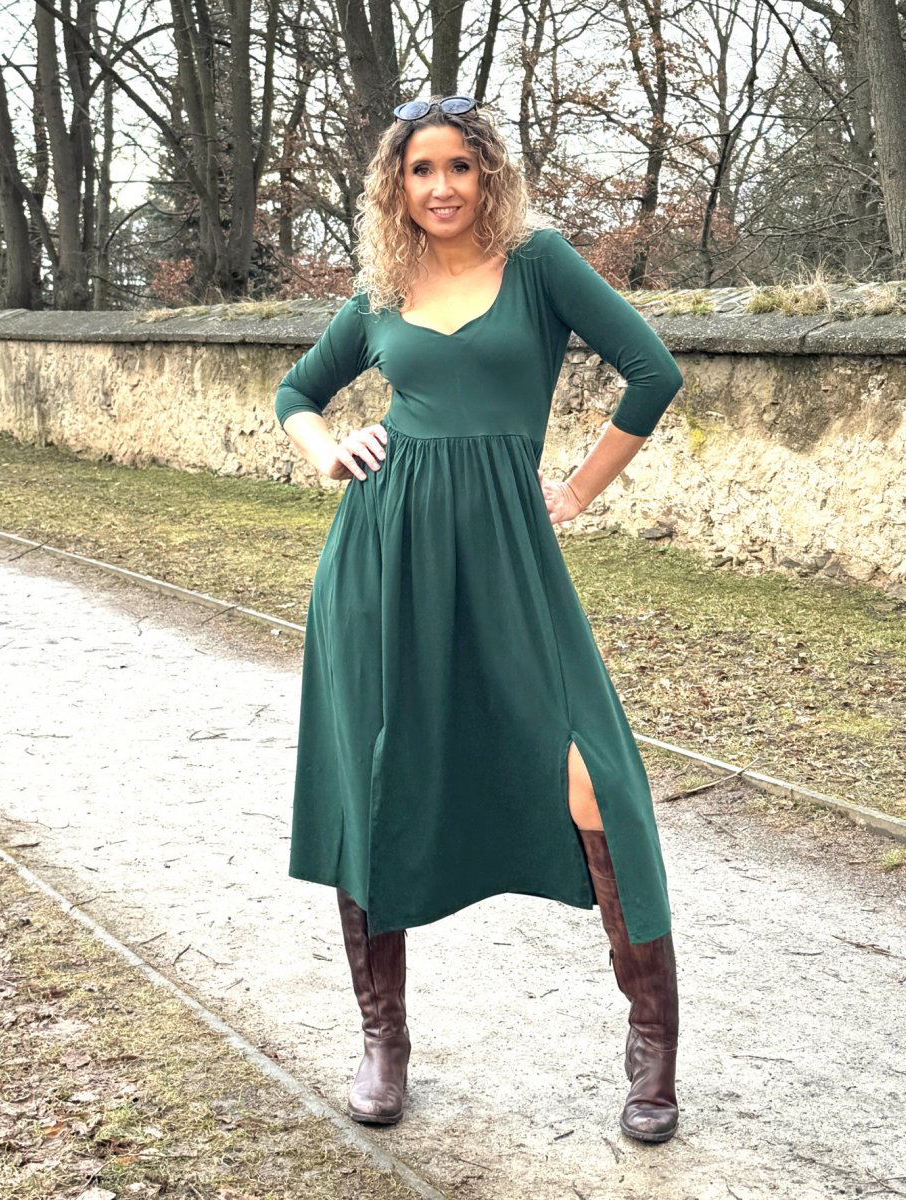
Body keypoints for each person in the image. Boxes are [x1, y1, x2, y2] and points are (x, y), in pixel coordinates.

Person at [273, 94, 684, 1144]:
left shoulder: (538, 264)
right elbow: (296, 393)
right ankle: (384, 1042)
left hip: (509, 561)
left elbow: (653, 371)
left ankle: (651, 1050)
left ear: (489, 174)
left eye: (459, 165)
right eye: (421, 170)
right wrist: (329, 452)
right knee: (372, 781)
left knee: (593, 778)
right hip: (382, 561)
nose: (441, 187)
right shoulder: (382, 288)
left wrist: (577, 490)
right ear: (395, 185)